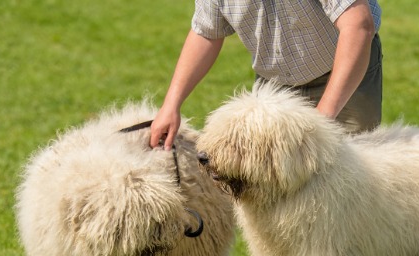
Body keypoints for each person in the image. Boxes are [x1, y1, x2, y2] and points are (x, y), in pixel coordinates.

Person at [150, 0, 382, 150]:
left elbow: (359, 26)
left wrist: (321, 120)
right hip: (275, 86)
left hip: (343, 73)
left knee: (349, 183)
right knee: (271, 190)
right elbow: (207, 31)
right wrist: (171, 105)